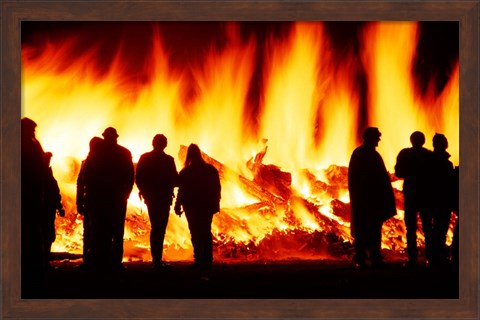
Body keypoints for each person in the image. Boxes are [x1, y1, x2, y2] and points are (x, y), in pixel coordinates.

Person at [83, 128, 134, 272]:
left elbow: (88, 175)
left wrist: (88, 194)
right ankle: (115, 262)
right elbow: (130, 176)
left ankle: (100, 261)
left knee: (99, 230)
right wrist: (126, 193)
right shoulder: (124, 153)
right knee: (117, 231)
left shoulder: (96, 153)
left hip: (101, 198)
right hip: (116, 197)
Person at [348, 127, 397, 268]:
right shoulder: (364, 154)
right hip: (367, 199)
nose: (378, 140)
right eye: (377, 137)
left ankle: (372, 256)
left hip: (371, 200)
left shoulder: (368, 154)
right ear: (369, 138)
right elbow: (359, 177)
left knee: (373, 229)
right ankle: (363, 256)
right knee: (366, 229)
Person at [174, 144, 221, 276]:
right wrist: (215, 204)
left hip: (192, 207)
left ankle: (199, 260)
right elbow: (217, 189)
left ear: (189, 155)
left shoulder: (186, 172)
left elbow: (181, 191)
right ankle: (207, 260)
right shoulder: (210, 170)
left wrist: (178, 205)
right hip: (205, 206)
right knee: (205, 232)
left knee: (195, 232)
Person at [136, 134, 178, 270]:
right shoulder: (168, 160)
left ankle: (156, 259)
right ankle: (157, 260)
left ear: (153, 143)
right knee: (160, 228)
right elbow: (175, 179)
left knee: (156, 227)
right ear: (164, 145)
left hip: (152, 198)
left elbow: (139, 178)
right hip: (163, 198)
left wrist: (145, 192)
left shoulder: (145, 158)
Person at [394, 131, 433, 267]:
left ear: (411, 141)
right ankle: (430, 257)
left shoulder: (405, 154)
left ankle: (412, 258)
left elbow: (398, 172)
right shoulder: (429, 155)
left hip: (411, 193)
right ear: (423, 141)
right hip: (425, 194)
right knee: (427, 227)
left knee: (410, 227)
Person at [21, 117, 48, 296]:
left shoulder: (32, 143)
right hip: (28, 192)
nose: (34, 132)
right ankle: (31, 264)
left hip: (33, 192)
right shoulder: (27, 145)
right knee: (30, 228)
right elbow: (38, 167)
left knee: (32, 228)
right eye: (32, 129)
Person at [427, 133, 455, 268]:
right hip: (442, 201)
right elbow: (449, 184)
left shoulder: (428, 161)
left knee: (432, 229)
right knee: (440, 228)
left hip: (431, 200)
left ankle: (433, 256)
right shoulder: (445, 163)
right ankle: (437, 257)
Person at [76, 136, 104, 268]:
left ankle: (94, 259)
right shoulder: (86, 162)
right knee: (90, 231)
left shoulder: (102, 163)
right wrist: (79, 201)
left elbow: (80, 184)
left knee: (96, 231)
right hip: (91, 201)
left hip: (97, 201)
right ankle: (88, 259)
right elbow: (80, 183)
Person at [42, 151, 65, 269]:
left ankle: (44, 260)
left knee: (48, 235)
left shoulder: (48, 175)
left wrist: (59, 207)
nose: (48, 161)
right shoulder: (37, 174)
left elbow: (55, 193)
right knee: (43, 235)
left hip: (48, 210)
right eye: (46, 159)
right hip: (41, 210)